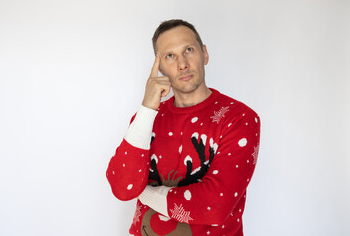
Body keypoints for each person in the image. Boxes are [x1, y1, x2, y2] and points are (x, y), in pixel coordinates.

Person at [106, 19, 260, 236]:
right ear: (159, 66)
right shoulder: (145, 119)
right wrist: (148, 108)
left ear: (204, 54)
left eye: (189, 50)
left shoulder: (239, 118)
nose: (182, 64)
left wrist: (145, 193)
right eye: (170, 56)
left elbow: (215, 206)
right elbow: (123, 188)